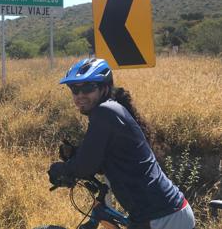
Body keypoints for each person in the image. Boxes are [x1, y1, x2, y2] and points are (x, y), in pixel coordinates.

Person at [48, 58, 195, 229]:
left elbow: (84, 166)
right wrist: (77, 154)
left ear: (104, 87)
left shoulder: (105, 113)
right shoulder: (111, 111)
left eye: (88, 87)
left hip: (162, 217)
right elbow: (102, 159)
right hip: (162, 212)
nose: (80, 95)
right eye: (74, 89)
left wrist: (61, 169)